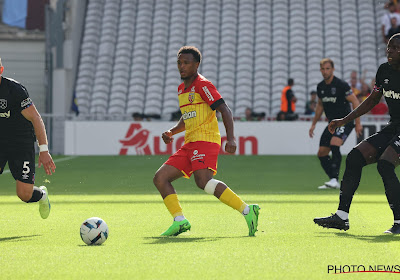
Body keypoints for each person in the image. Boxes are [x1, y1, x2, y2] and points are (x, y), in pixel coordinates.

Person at [153, 46, 260, 237]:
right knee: (160, 178)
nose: (182, 66)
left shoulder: (203, 85)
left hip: (206, 140)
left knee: (203, 181)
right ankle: (180, 221)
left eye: (186, 63)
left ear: (196, 65)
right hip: (190, 142)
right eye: (179, 63)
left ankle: (247, 210)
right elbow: (187, 117)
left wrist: (231, 138)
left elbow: (224, 109)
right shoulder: (181, 89)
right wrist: (172, 131)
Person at [314, 34, 400, 234]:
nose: (390, 51)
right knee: (354, 157)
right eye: (388, 48)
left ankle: (399, 222)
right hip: (394, 127)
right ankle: (341, 216)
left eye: (395, 48)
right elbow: (372, 100)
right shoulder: (384, 71)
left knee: (385, 165)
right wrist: (344, 120)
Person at [0, 57, 55, 219]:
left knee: (24, 194)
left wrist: (43, 150)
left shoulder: (15, 90)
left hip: (20, 144)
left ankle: (42, 195)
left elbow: (36, 118)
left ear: (1, 71)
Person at [309, 58, 362, 190]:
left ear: (333, 69)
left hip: (345, 121)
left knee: (334, 143)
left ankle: (335, 179)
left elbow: (355, 102)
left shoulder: (341, 85)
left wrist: (358, 123)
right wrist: (314, 124)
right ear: (320, 70)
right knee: (321, 153)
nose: (325, 71)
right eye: (323, 69)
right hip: (332, 124)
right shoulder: (320, 87)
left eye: (328, 69)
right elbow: (320, 106)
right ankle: (333, 179)